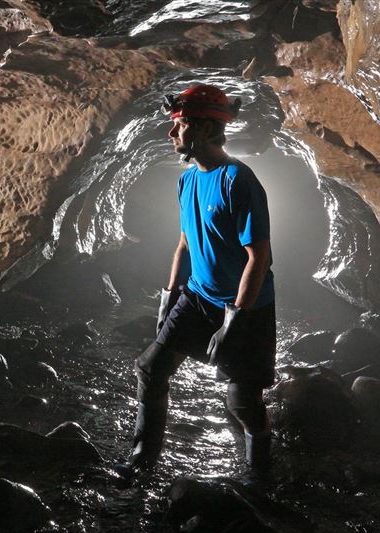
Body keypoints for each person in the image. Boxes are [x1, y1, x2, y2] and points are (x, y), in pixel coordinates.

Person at [117, 83, 276, 479]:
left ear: (205, 129)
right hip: (197, 297)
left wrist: (235, 320)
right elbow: (185, 245)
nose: (172, 134)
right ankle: (142, 457)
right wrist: (169, 298)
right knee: (150, 369)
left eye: (181, 125)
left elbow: (259, 258)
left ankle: (259, 474)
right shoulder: (186, 181)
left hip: (245, 305)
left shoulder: (238, 180)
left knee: (241, 402)